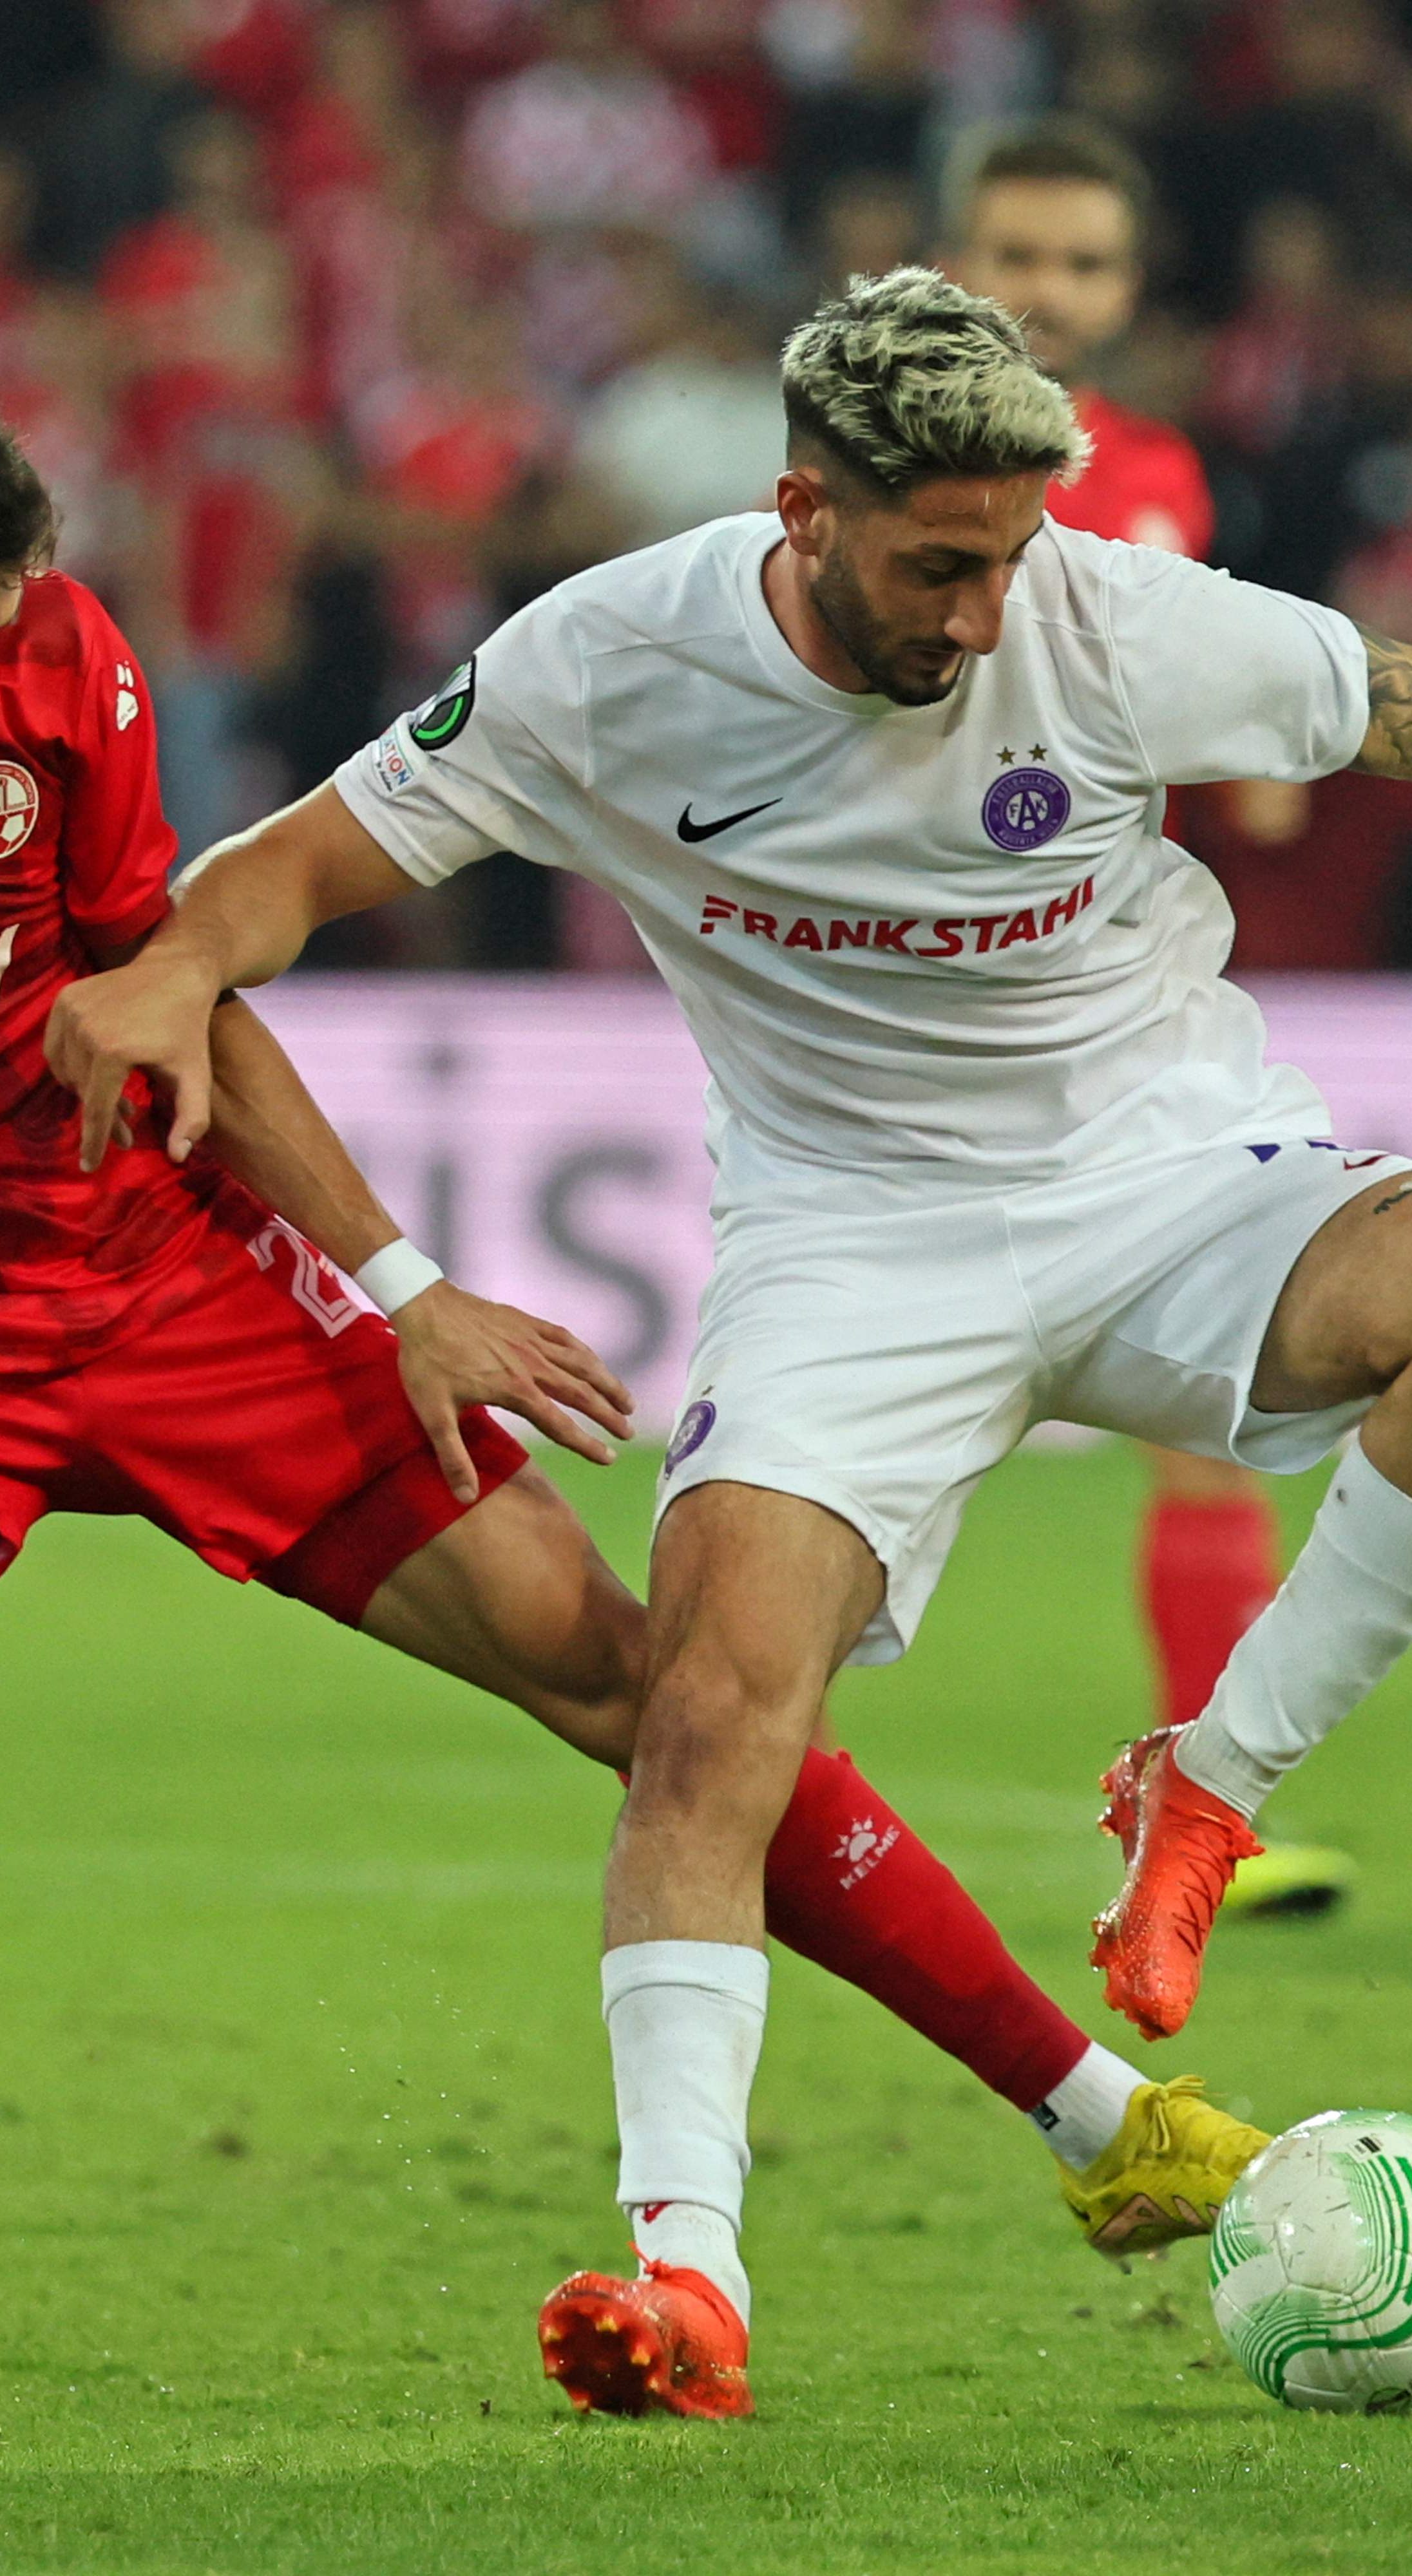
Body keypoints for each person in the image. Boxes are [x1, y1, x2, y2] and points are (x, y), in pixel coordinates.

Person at [0, 361, 1263, 2433]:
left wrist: (402, 1287)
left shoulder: (55, 665)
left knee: (655, 1691)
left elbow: (184, 988)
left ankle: (1108, 2132)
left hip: (170, 1282)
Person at [46, 269, 1412, 2417]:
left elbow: (1388, 700)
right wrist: (169, 969)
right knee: (702, 1716)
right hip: (853, 1243)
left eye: (1011, 561)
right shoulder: (606, 660)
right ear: (800, 508)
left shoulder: (1118, 619)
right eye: (937, 566)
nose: (984, 617)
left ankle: (1210, 1782)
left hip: (1169, 1176)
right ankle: (690, 2277)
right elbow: (287, 873)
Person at [942, 122, 1333, 1906]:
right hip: (908, 1015)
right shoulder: (881, 461)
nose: (1048, 291)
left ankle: (1202, 1800)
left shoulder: (1154, 471)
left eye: (1085, 265)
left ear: (1122, 289)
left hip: (1104, 1018)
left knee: (1210, 1423)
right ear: (960, 262)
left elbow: (1191, 695)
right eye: (1019, 255)